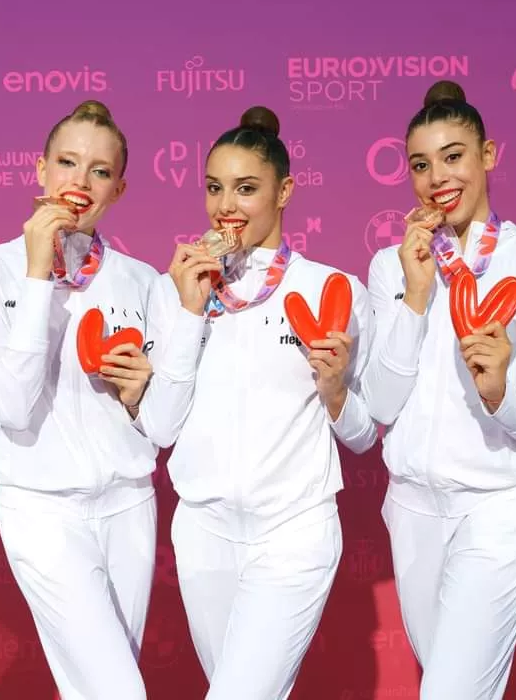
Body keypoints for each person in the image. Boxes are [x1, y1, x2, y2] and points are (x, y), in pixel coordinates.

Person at [137, 105, 377, 700]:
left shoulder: (331, 288)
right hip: (203, 534)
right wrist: (188, 310)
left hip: (293, 531)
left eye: (247, 189)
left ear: (285, 191)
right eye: (215, 187)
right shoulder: (177, 289)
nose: (227, 206)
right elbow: (161, 427)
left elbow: (364, 434)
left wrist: (335, 390)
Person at [361, 80, 516, 698]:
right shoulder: (389, 265)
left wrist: (500, 390)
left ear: (488, 155)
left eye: (454, 156)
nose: (436, 177)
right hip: (414, 511)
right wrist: (416, 296)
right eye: (421, 164)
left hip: (500, 507)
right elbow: (380, 406)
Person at [0, 101, 157, 700]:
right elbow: (11, 406)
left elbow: (161, 416)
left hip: (129, 507)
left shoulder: (142, 281)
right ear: (39, 170)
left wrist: (143, 388)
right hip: (40, 512)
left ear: (118, 188)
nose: (79, 182)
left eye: (98, 171)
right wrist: (38, 275)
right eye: (67, 162)